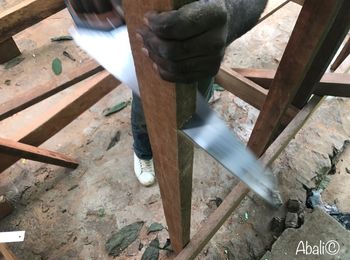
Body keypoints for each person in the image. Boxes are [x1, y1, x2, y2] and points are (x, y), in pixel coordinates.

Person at [66, 0, 267, 186]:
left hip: (202, 34)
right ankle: (144, 152)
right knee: (147, 98)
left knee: (200, 75)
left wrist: (233, 12)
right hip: (141, 39)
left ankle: (199, 106)